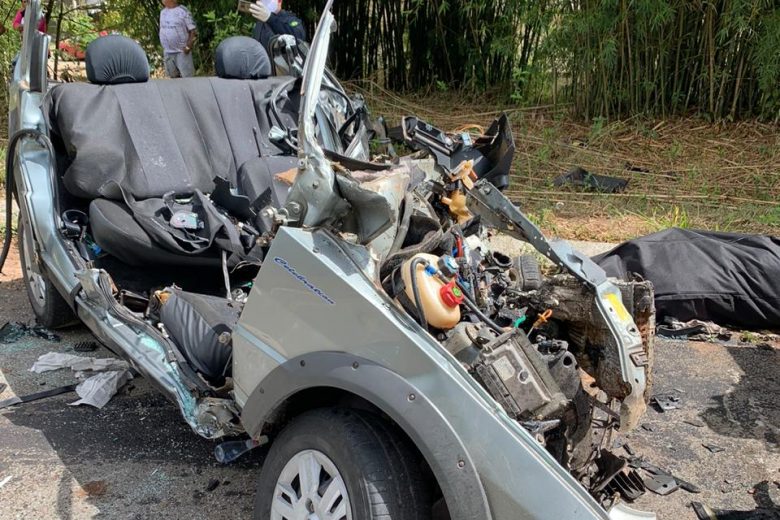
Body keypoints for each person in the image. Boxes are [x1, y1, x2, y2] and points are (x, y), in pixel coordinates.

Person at [159, 0, 197, 78]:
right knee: (173, 80)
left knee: (188, 79)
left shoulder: (183, 11)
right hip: (168, 52)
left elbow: (193, 31)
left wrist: (188, 47)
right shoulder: (162, 12)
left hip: (181, 52)